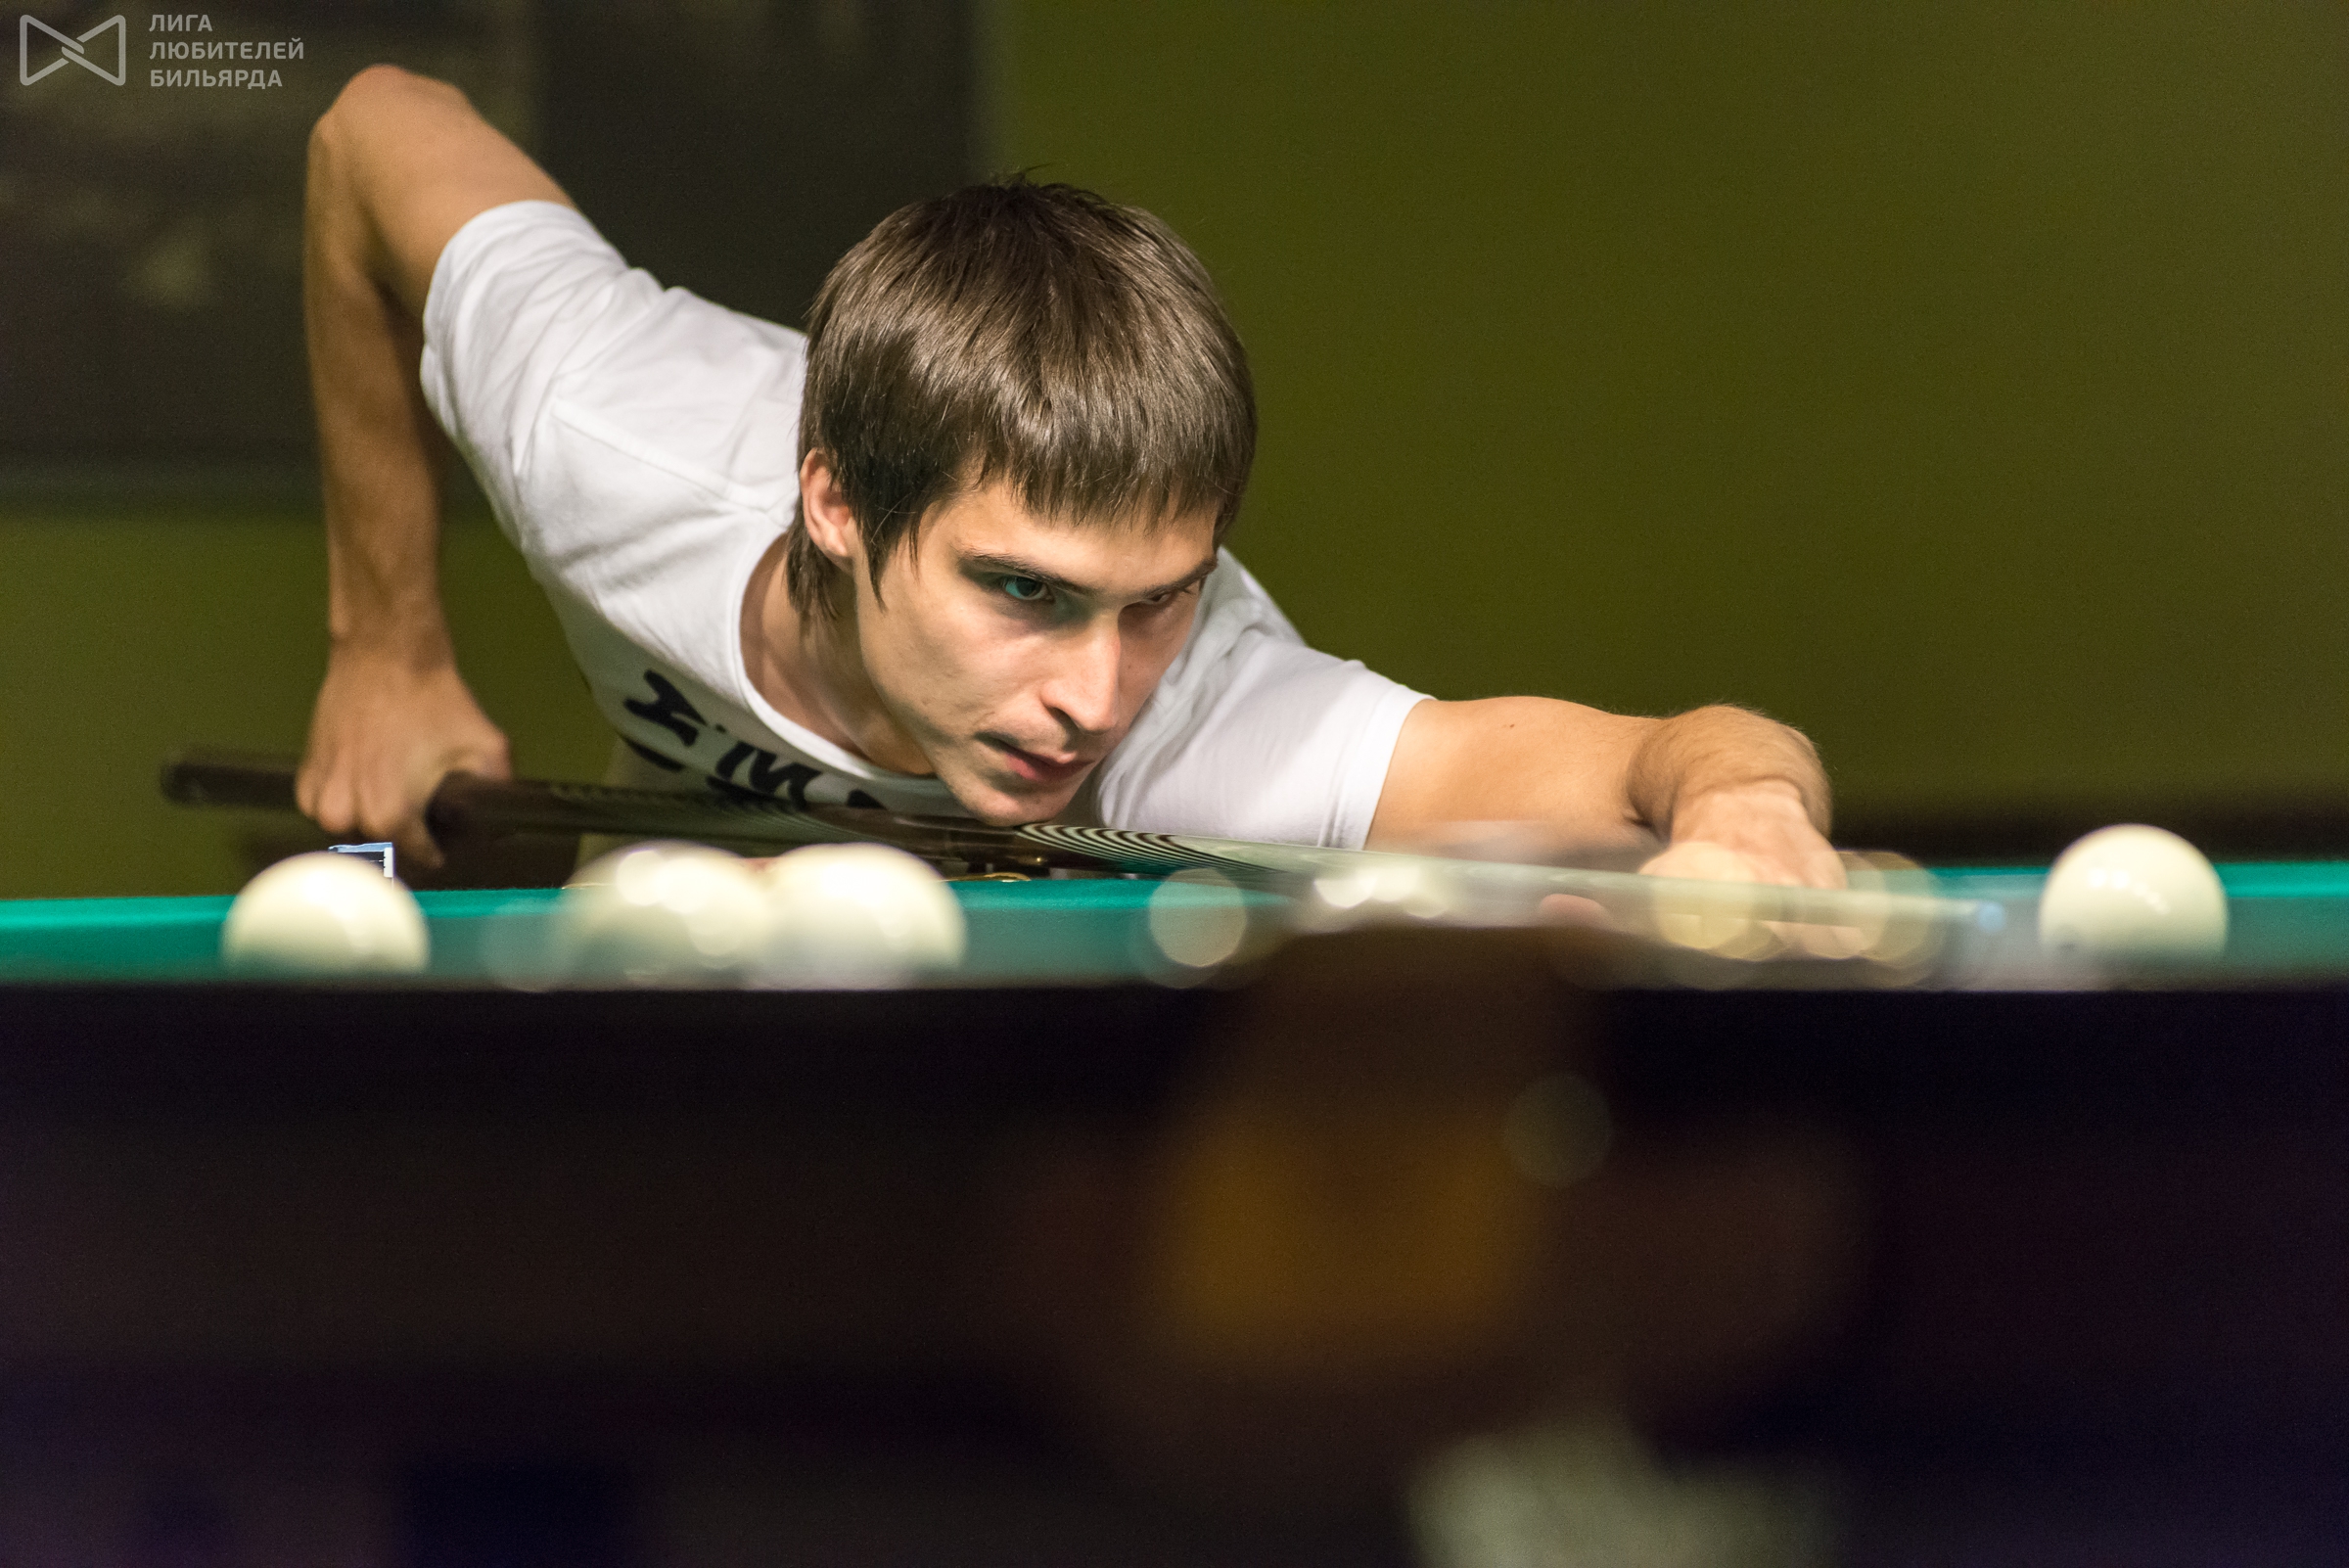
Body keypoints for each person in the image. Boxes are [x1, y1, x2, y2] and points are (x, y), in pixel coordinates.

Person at [296, 65, 1840, 894]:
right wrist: (387, 650)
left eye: (1156, 600)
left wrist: (1747, 812)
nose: (1093, 696)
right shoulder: (609, 434)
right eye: (1023, 590)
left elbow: (1677, 756)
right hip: (676, 963)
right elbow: (373, 129)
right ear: (835, 502)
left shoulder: (1208, 721)